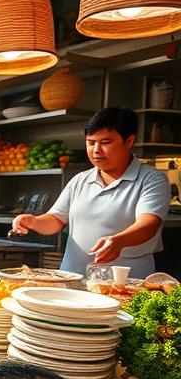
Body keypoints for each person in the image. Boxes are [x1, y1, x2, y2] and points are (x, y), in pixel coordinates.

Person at [12, 107, 170, 277]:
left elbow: (148, 225)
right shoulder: (80, 180)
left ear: (129, 141)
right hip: (73, 279)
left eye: (105, 142)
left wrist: (118, 241)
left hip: (126, 283)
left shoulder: (151, 179)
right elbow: (56, 219)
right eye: (90, 142)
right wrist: (33, 221)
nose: (96, 150)